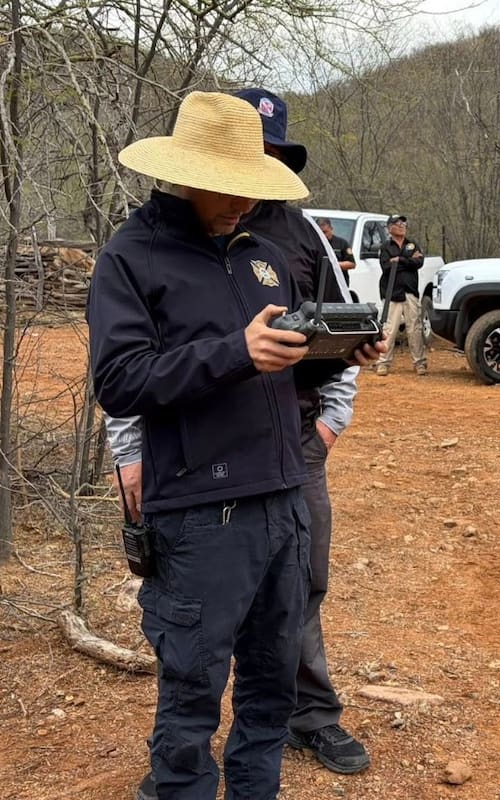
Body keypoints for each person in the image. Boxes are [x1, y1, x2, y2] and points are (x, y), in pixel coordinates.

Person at [87, 91, 383, 800]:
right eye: (230, 189)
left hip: (282, 499)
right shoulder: (133, 258)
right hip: (199, 514)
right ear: (185, 173)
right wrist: (236, 352)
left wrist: (339, 353)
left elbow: (282, 361)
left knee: (270, 690)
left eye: (253, 190)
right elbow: (121, 380)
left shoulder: (264, 254)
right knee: (191, 700)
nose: (243, 205)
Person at [374, 214, 428, 376]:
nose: (402, 225)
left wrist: (399, 260)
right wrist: (406, 261)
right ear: (390, 227)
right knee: (389, 329)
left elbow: (419, 262)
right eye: (398, 223)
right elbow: (386, 267)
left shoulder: (412, 244)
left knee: (415, 328)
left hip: (410, 291)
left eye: (403, 222)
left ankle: (420, 363)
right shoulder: (385, 247)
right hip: (392, 293)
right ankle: (383, 362)